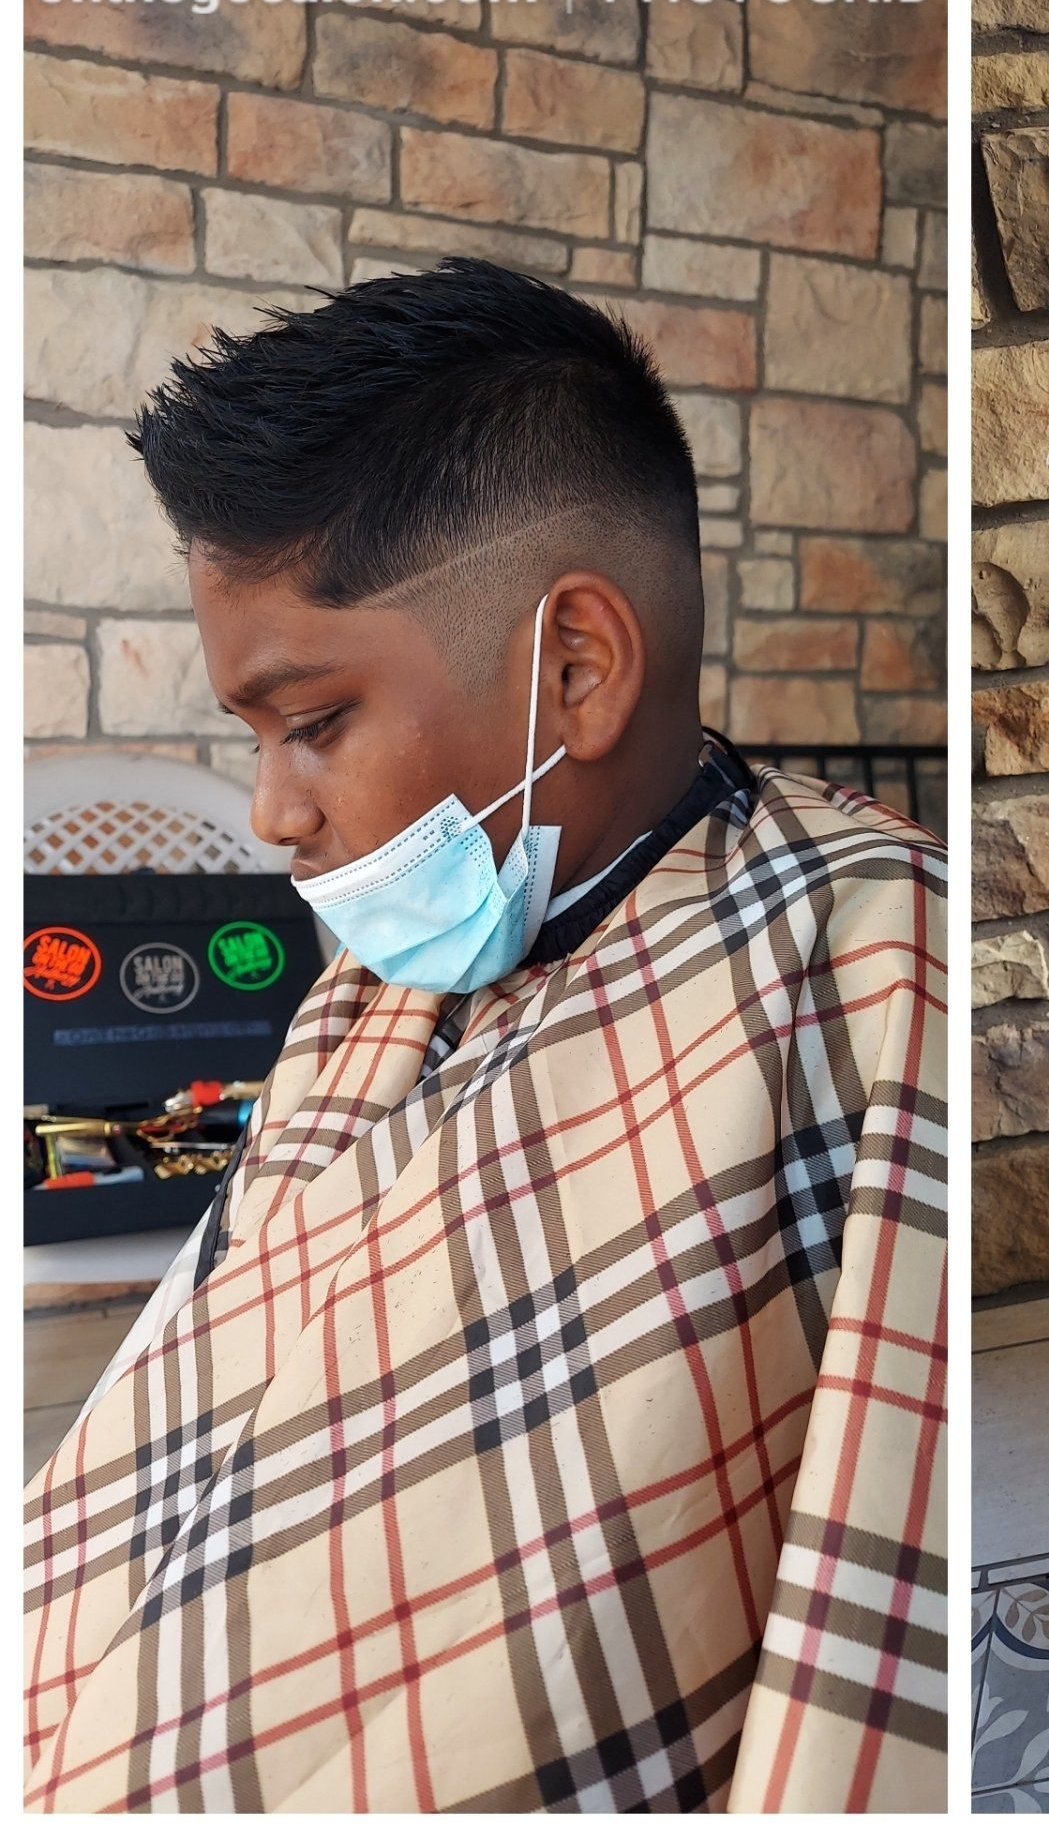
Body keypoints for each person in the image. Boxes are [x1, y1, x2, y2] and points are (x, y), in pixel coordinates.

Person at [24, 260, 949, 1814]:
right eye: (254, 741)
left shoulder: (867, 964)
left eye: (311, 724)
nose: (274, 812)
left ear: (574, 668)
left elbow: (874, 1644)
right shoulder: (373, 985)